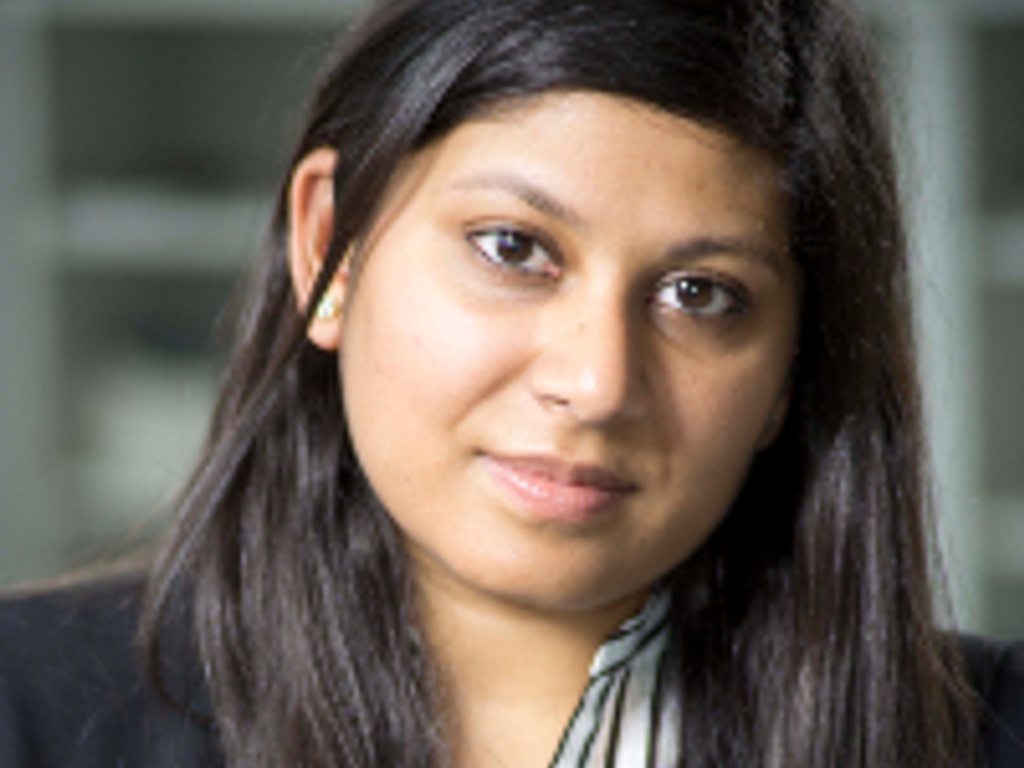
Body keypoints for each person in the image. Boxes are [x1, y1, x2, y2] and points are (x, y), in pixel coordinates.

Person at [1, 0, 1022, 766]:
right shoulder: (26, 709)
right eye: (511, 247)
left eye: (701, 295)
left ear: (794, 367)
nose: (596, 381)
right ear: (329, 250)